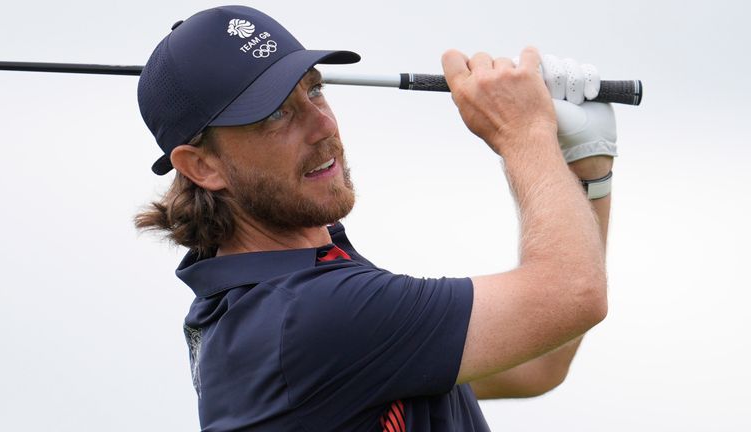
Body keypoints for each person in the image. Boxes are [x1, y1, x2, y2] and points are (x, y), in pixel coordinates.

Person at [135, 5, 616, 431]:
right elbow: (572, 296)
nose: (322, 125)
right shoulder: (306, 317)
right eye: (276, 115)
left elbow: (537, 363)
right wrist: (525, 130)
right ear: (203, 166)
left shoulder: (291, 292)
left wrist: (585, 167)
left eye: (315, 91)